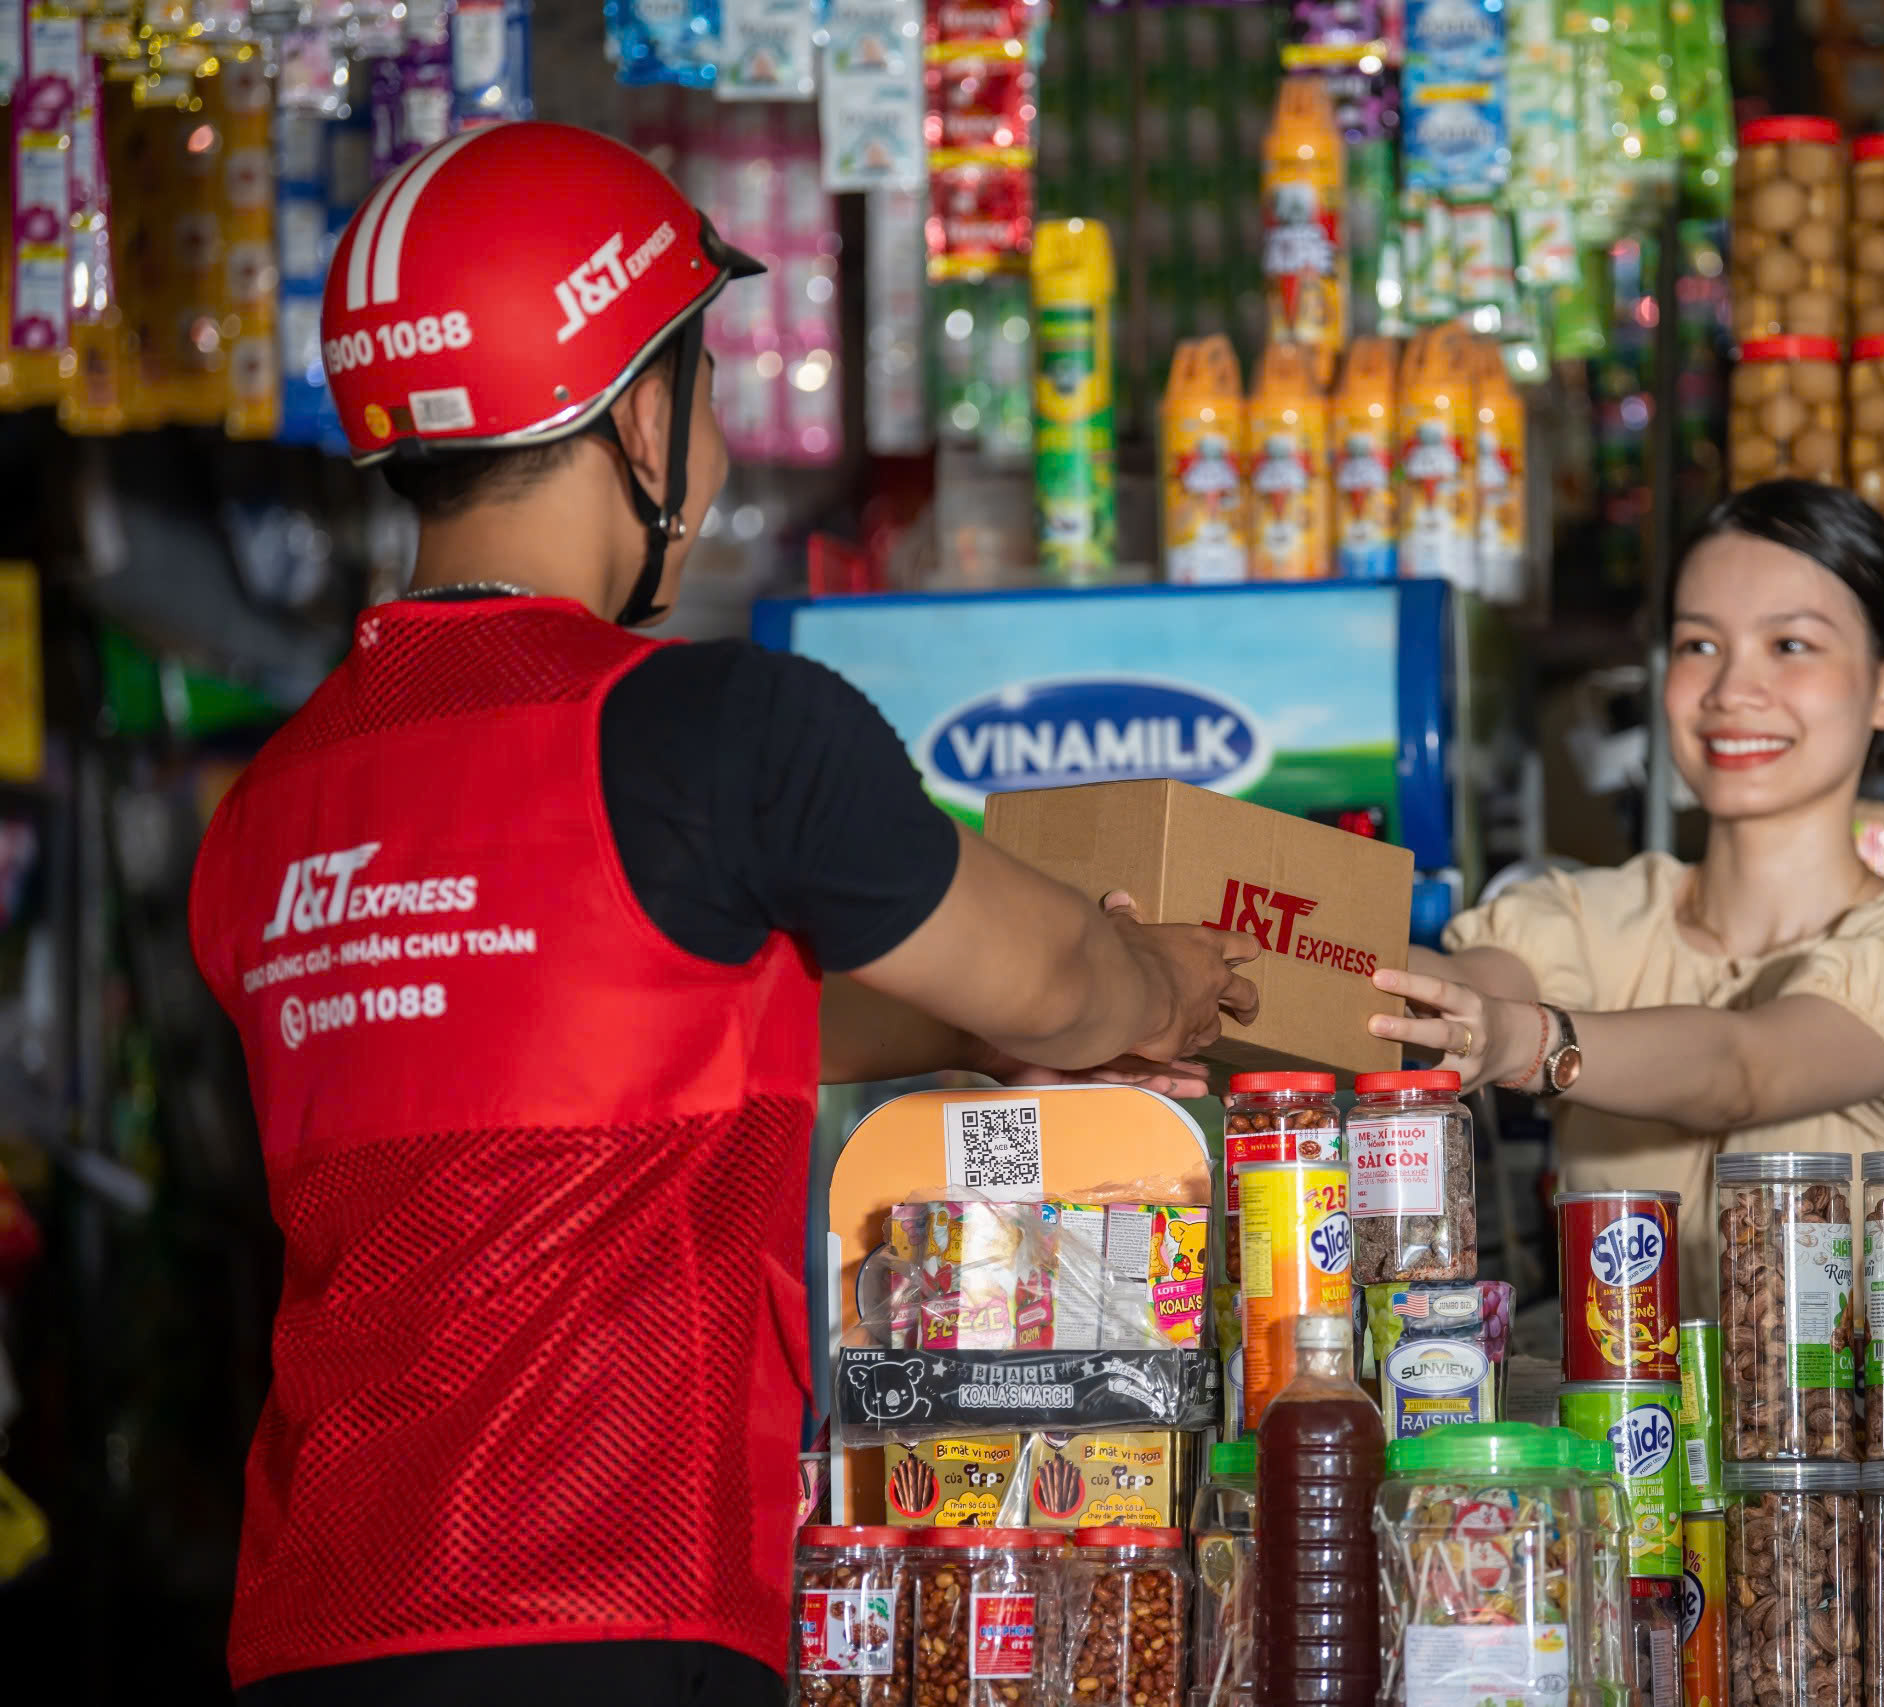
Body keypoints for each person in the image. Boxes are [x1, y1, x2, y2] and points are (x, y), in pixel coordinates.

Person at [186, 123, 1258, 1707]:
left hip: (307, 1626)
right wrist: (1165, 978)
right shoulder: (713, 732)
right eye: (700, 386)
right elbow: (1058, 981)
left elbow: (626, 1016)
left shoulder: (265, 812)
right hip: (617, 1614)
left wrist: (976, 1030)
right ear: (639, 413)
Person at [1369, 480, 1884, 1305]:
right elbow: (1457, 991)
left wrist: (1525, 1043)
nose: (1730, 691)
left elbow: (1743, 1066)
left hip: (1856, 1432)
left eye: (1791, 645)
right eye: (1700, 645)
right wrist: (1227, 952)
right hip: (1614, 1426)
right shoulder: (1591, 915)